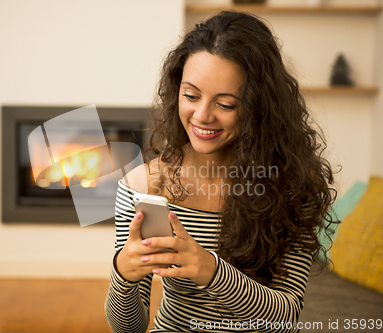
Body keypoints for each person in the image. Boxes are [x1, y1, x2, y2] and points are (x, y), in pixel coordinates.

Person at [105, 10, 337, 333]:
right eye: (191, 96)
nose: (202, 116)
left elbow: (286, 317)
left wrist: (211, 271)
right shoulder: (144, 185)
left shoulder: (293, 185)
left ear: (258, 106)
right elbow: (128, 328)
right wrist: (122, 276)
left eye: (225, 104)